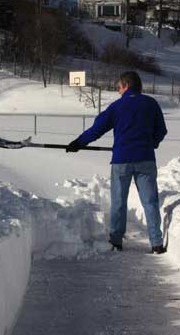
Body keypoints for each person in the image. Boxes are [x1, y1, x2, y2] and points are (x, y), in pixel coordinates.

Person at [66, 71, 167, 254]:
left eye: (119, 87)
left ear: (126, 86)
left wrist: (78, 143)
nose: (118, 91)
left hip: (122, 160)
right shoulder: (151, 104)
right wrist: (152, 142)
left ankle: (116, 241)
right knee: (150, 201)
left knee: (119, 201)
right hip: (146, 159)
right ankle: (156, 242)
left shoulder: (117, 106)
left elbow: (97, 129)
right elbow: (161, 130)